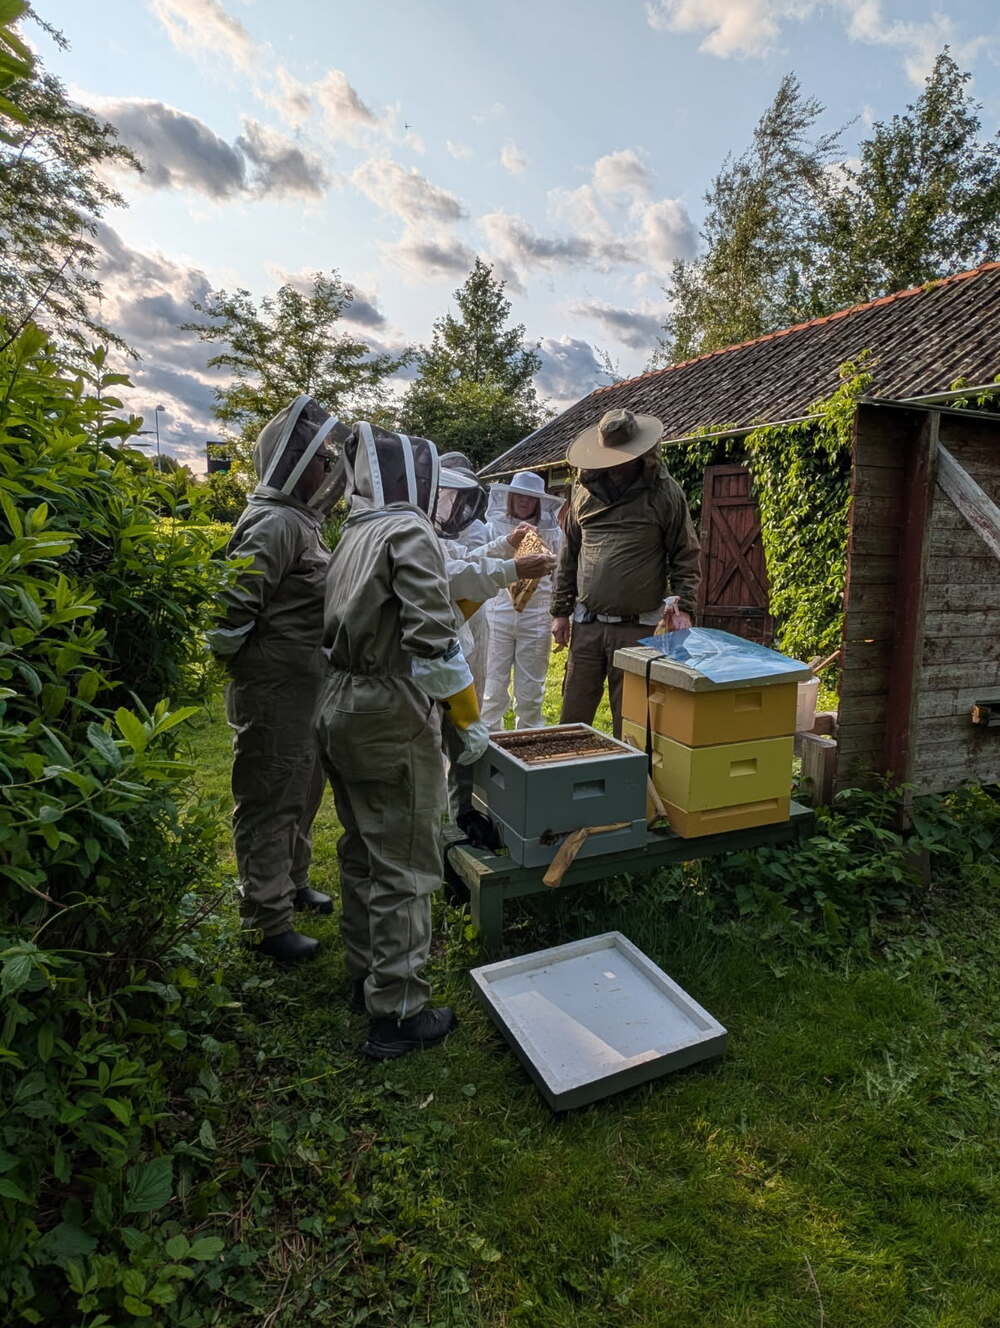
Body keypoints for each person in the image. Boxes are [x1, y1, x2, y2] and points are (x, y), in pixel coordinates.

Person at [315, 423, 490, 1060]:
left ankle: (364, 976)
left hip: (335, 701)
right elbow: (433, 638)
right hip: (388, 708)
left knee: (362, 844)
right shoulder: (408, 531)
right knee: (408, 862)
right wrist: (467, 720)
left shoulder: (354, 532)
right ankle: (398, 1011)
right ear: (415, 476)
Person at [207, 396, 348, 964]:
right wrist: (256, 672)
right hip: (275, 691)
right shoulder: (275, 521)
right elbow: (231, 610)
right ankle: (266, 920)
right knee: (269, 797)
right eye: (320, 456)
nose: (328, 465)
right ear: (295, 461)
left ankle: (291, 882)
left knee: (302, 791)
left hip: (304, 687)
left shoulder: (302, 522)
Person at [551, 408, 701, 738]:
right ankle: (564, 778)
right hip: (587, 626)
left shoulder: (665, 494)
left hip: (638, 629)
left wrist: (685, 608)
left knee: (631, 720)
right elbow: (569, 555)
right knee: (572, 718)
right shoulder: (583, 494)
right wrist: (561, 612)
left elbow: (685, 554)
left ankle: (628, 784)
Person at [433, 454, 555, 833]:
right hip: (441, 632)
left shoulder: (486, 530)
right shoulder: (416, 530)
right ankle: (444, 805)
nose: (457, 504)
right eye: (451, 493)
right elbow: (457, 572)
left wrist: (507, 547)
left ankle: (469, 799)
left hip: (490, 620)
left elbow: (467, 559)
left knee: (482, 704)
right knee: (462, 709)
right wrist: (513, 566)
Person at [481, 471, 564, 731]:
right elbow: (479, 564)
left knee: (531, 691)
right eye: (520, 496)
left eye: (531, 498)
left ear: (540, 502)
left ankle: (526, 746)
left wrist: (562, 614)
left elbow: (561, 575)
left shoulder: (554, 534)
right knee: (492, 687)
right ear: (510, 497)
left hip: (537, 614)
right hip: (496, 612)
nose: (525, 502)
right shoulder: (492, 529)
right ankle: (490, 745)